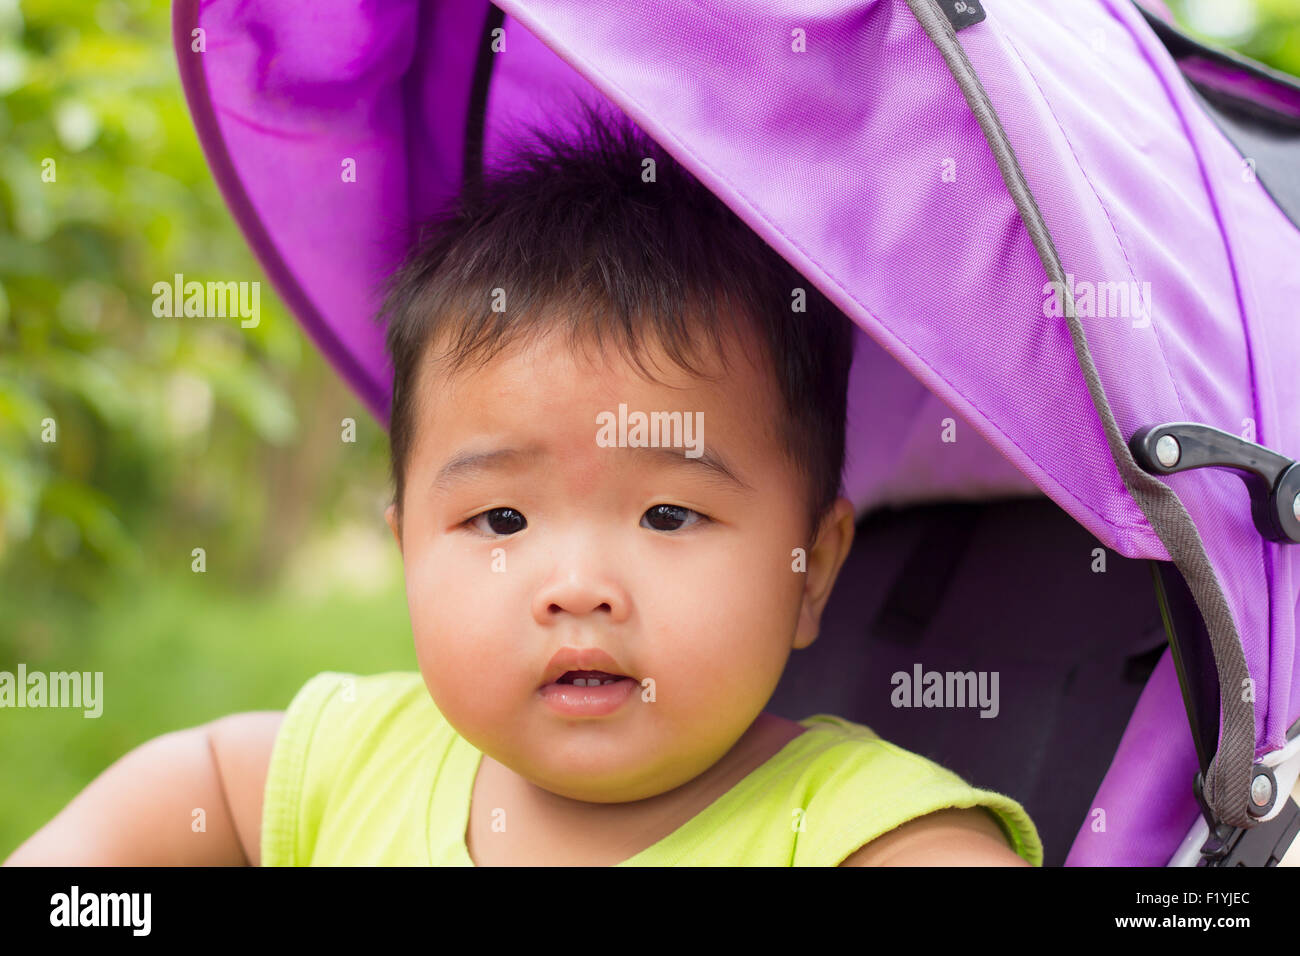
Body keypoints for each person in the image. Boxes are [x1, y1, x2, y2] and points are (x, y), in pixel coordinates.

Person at [5, 103, 1041, 867]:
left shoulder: (858, 831)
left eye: (668, 512)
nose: (577, 583)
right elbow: (189, 797)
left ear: (811, 568)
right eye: (500, 516)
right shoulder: (353, 760)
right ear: (406, 539)